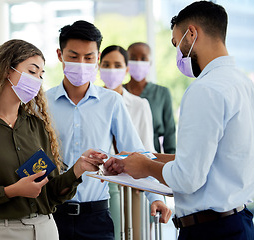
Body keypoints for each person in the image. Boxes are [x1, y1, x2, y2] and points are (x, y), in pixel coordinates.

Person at [105, 1, 254, 239]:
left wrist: (145, 167)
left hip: (210, 230)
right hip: (238, 221)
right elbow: (212, 158)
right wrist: (147, 157)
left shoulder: (205, 89)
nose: (178, 54)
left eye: (177, 43)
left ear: (192, 33)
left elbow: (188, 178)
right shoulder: (244, 85)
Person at [0, 39, 107, 240]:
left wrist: (79, 168)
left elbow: (51, 192)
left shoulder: (36, 126)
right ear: (6, 71)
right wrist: (11, 191)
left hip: (46, 228)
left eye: (40, 74)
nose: (37, 80)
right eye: (32, 71)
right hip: (1, 232)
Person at [46, 21, 171, 240]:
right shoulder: (43, 104)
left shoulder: (111, 102)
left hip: (97, 218)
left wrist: (155, 197)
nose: (82, 64)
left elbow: (135, 151)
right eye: (74, 57)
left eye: (89, 57)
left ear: (98, 56)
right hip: (52, 216)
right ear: (60, 54)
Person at [100, 45, 167, 239]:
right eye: (106, 64)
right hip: (104, 184)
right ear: (99, 67)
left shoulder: (139, 104)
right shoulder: (94, 103)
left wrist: (153, 190)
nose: (111, 69)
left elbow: (147, 148)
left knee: (135, 233)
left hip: (135, 183)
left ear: (126, 70)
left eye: (117, 65)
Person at [124, 42, 176, 154]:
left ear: (150, 62)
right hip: (120, 158)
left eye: (143, 58)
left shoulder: (162, 93)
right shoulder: (118, 93)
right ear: (126, 62)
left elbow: (169, 133)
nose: (138, 62)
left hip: (152, 158)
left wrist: (170, 163)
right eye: (133, 58)